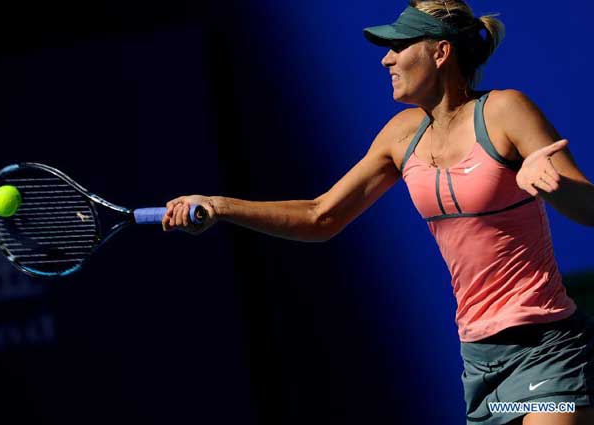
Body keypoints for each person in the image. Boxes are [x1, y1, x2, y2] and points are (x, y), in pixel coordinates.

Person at [162, 1, 594, 424]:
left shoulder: (504, 110)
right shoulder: (400, 135)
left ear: (441, 52)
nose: (387, 59)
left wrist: (555, 186)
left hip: (548, 346)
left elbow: (588, 208)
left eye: (399, 45)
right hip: (481, 360)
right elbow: (320, 216)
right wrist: (221, 206)